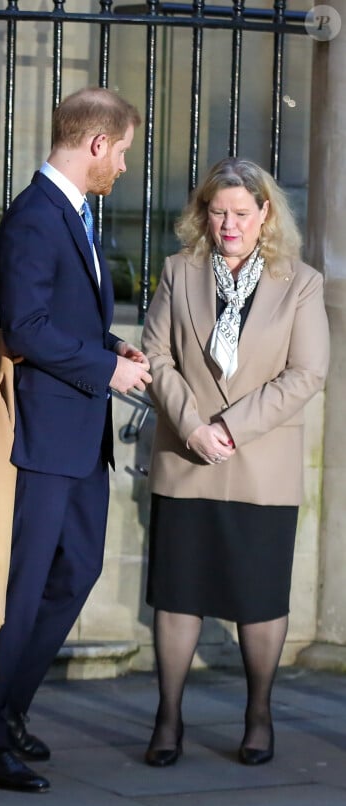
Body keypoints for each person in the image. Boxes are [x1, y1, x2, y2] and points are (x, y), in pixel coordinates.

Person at [0, 86, 151, 793]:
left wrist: (111, 349)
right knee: (27, 583)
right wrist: (105, 369)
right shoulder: (35, 218)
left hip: (80, 432)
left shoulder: (73, 212)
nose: (124, 167)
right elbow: (28, 328)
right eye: (123, 151)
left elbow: (62, 318)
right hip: (43, 434)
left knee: (77, 571)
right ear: (96, 144)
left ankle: (4, 707)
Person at [141, 156, 329, 768]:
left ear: (265, 214)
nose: (228, 224)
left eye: (241, 213)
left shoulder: (300, 282)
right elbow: (156, 358)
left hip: (261, 465)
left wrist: (229, 426)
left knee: (258, 598)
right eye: (218, 212)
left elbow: (309, 373)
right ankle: (168, 717)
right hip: (185, 457)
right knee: (177, 596)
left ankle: (258, 713)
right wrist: (193, 426)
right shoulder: (178, 271)